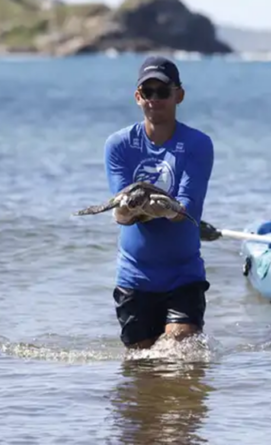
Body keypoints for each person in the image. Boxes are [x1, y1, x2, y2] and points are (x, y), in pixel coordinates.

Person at [104, 55, 214, 349]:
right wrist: (129, 210)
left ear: (179, 95)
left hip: (183, 274)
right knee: (141, 372)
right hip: (134, 277)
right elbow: (121, 214)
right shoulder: (118, 145)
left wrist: (167, 209)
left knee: (180, 353)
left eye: (163, 92)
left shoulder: (198, 144)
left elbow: (188, 206)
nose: (155, 99)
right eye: (147, 92)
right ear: (138, 97)